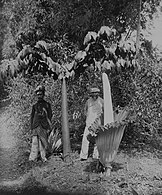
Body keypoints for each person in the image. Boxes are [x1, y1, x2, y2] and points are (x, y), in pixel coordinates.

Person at [29, 85, 52, 162]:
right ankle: (33, 158)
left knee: (42, 142)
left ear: (43, 95)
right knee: (35, 142)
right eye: (38, 94)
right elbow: (32, 117)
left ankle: (43, 157)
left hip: (43, 125)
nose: (39, 96)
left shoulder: (47, 105)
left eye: (40, 94)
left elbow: (50, 115)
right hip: (36, 126)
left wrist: (48, 125)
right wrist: (32, 127)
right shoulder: (34, 106)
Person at [79, 87, 104, 161]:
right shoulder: (88, 101)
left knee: (98, 140)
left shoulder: (101, 101)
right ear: (90, 94)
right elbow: (85, 110)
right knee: (85, 139)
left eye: (96, 93)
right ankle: (83, 156)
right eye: (93, 93)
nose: (94, 95)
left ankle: (95, 156)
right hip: (89, 123)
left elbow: (104, 111)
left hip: (98, 124)